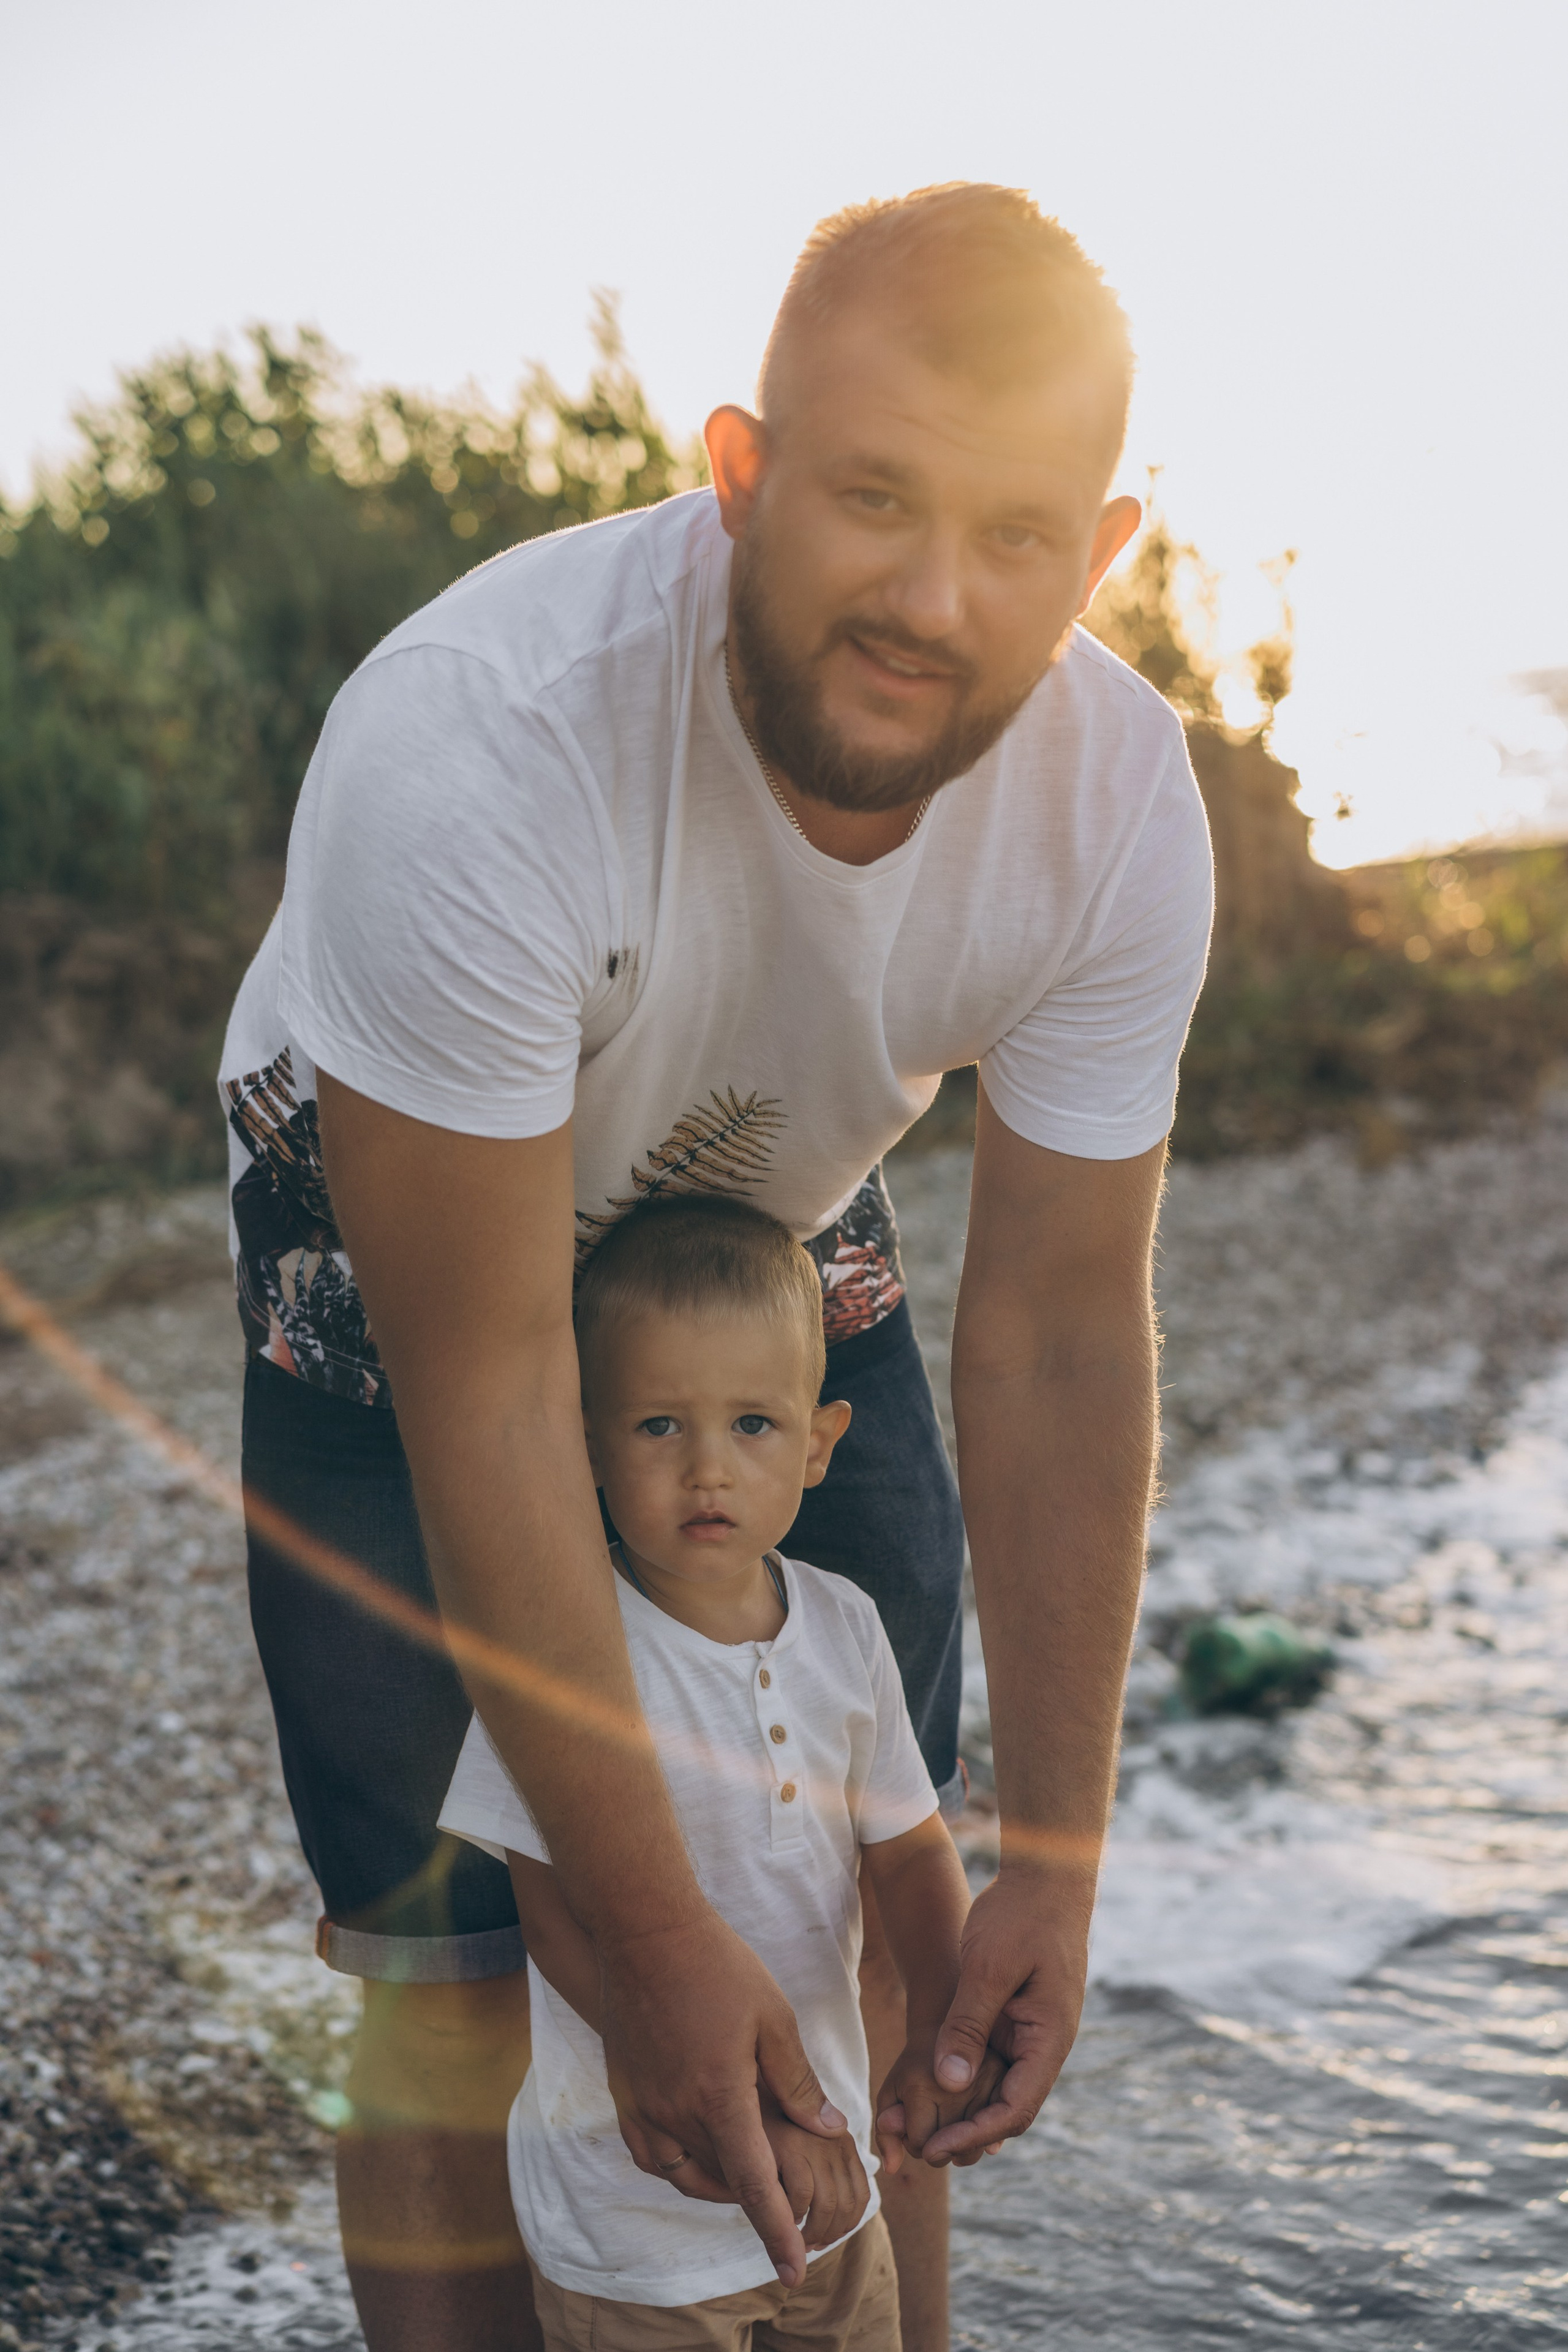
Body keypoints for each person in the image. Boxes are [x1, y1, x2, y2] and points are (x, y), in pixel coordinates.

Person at [222, 179, 1213, 2352]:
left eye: (1021, 537)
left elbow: (1054, 1322)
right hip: (395, 1233)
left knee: (897, 1918)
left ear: (1109, 553)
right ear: (738, 474)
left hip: (756, 1187)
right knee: (452, 1967)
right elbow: (491, 1384)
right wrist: (653, 1940)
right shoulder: (479, 745)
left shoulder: (1122, 808)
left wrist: (1054, 1844)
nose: (935, 600)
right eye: (873, 500)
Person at [438, 1191, 1000, 2349]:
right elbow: (553, 1923)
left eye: (752, 1425)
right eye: (658, 1427)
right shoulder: (565, 1651)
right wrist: (754, 2118)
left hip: (836, 2189)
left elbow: (909, 1850)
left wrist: (949, 2035)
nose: (709, 1469)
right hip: (642, 2222)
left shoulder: (845, 1627)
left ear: (819, 1443)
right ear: (588, 1438)